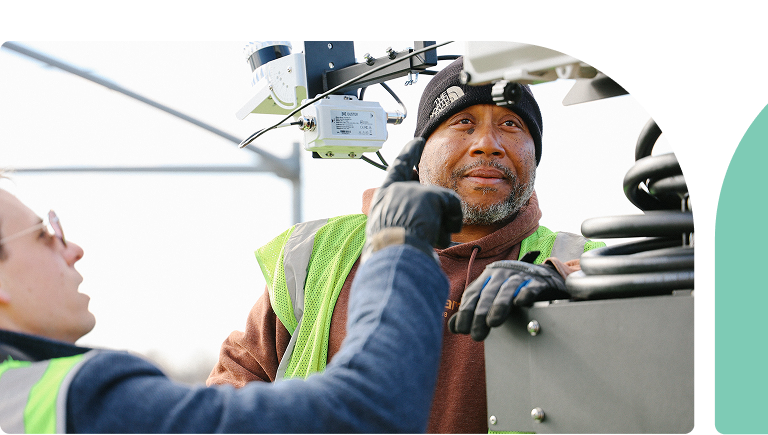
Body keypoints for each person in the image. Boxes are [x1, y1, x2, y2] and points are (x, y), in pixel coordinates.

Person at [206, 56, 606, 433]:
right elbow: (235, 385)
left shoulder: (582, 264)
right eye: (464, 122)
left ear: (535, 155)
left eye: (512, 125)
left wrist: (573, 288)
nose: (488, 143)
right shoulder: (319, 253)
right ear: (418, 151)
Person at [0, 139, 465, 433]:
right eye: (46, 234)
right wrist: (395, 247)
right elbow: (366, 415)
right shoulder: (77, 399)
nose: (72, 248)